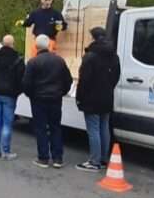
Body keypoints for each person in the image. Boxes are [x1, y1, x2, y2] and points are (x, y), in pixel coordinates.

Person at [21, 34, 73, 168]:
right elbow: (68, 80)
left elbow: (26, 83)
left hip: (38, 99)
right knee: (56, 127)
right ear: (49, 45)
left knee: (41, 128)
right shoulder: (59, 60)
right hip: (55, 98)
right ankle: (57, 158)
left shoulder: (33, 62)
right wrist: (62, 92)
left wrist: (31, 95)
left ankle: (43, 158)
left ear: (36, 46)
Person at [74, 27, 121, 172]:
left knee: (93, 129)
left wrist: (79, 97)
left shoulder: (90, 56)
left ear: (93, 38)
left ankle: (94, 161)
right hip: (107, 96)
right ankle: (103, 159)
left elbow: (84, 80)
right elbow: (116, 76)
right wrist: (108, 88)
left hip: (91, 97)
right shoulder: (114, 55)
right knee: (104, 127)